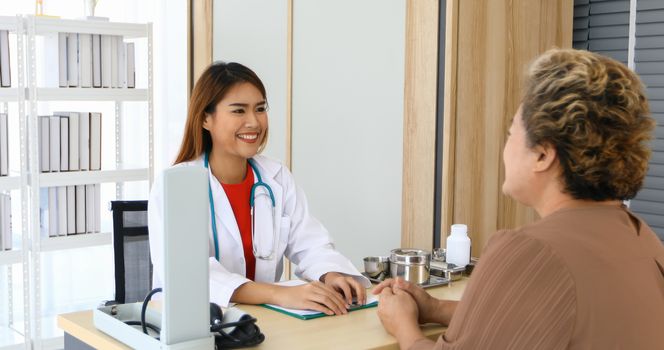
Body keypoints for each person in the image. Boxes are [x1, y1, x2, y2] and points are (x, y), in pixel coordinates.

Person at [375, 48, 664, 349]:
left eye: (511, 132)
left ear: (542, 154)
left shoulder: (533, 251)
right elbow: (541, 321)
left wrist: (404, 327)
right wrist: (434, 309)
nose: (505, 148)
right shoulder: (643, 241)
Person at [148, 61, 369, 315]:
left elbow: (310, 243)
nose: (254, 122)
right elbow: (189, 274)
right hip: (194, 324)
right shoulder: (175, 186)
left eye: (260, 109)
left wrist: (332, 274)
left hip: (263, 324)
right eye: (239, 111)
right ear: (206, 119)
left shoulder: (276, 178)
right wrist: (281, 294)